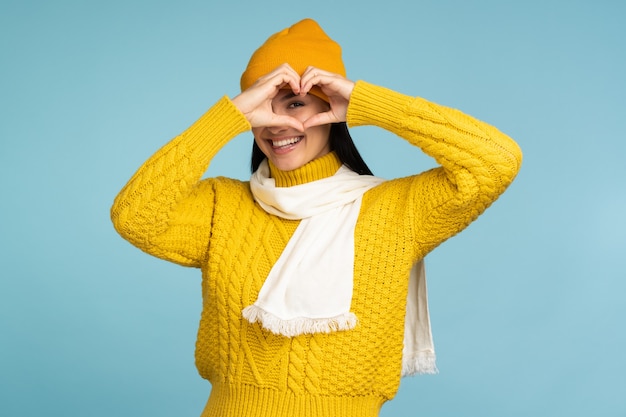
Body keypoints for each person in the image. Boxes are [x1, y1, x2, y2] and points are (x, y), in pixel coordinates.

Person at [111, 18, 522, 417]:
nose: (277, 125)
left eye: (295, 104)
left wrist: (367, 103)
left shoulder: (398, 210)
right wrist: (227, 117)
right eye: (263, 109)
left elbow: (496, 160)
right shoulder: (222, 206)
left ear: (331, 109)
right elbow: (135, 216)